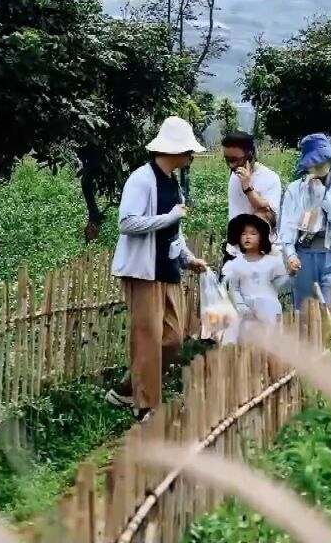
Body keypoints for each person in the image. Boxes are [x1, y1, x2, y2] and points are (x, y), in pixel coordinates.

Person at [107, 116, 208, 422]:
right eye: (188, 151)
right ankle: (145, 406)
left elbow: (174, 232)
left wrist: (188, 258)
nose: (191, 157)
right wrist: (168, 216)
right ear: (174, 151)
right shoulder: (141, 179)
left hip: (167, 268)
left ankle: (125, 389)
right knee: (147, 339)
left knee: (174, 339)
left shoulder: (172, 184)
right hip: (143, 271)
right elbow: (127, 223)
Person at [278, 134, 331, 309]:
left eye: (323, 161)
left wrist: (323, 196)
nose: (319, 166)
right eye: (314, 162)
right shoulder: (295, 189)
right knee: (305, 310)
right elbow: (287, 225)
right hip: (304, 255)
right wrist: (291, 255)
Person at [221, 131, 281, 267]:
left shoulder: (270, 179)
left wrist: (247, 188)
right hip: (234, 252)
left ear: (250, 154)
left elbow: (268, 215)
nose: (231, 165)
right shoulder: (234, 177)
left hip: (260, 254)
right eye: (227, 160)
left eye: (235, 160)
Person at [220, 213, 288, 330]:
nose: (248, 237)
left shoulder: (273, 262)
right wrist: (244, 309)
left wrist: (290, 274)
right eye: (244, 233)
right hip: (244, 312)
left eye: (253, 233)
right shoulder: (235, 265)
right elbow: (233, 289)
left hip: (269, 310)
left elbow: (280, 285)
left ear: (262, 237)